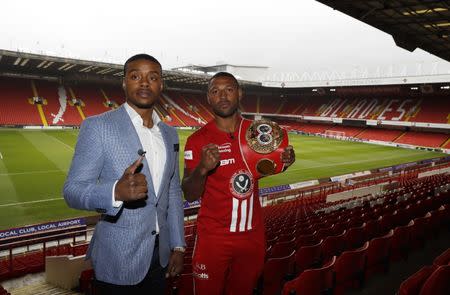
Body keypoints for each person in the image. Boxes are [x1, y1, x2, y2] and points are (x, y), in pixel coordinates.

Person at [63, 54, 186, 295]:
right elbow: (72, 190)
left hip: (160, 259)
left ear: (161, 85)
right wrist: (114, 192)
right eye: (135, 76)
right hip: (117, 261)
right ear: (124, 83)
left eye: (152, 77)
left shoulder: (170, 134)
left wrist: (178, 246)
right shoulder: (98, 126)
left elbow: (172, 192)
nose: (144, 83)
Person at [182, 72, 295, 295]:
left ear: (239, 93)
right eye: (215, 91)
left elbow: (266, 167)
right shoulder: (197, 140)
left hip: (252, 238)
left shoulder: (259, 134)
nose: (222, 96)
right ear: (208, 98)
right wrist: (202, 169)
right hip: (213, 239)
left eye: (229, 89)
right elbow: (189, 193)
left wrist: (285, 161)